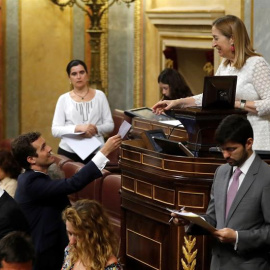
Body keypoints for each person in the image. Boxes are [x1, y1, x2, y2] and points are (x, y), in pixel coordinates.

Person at [152, 15, 270, 150]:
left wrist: (238, 104)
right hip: (233, 141)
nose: (213, 44)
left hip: (257, 142)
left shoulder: (256, 64)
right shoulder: (225, 66)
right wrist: (176, 103)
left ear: (232, 39)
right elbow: (209, 97)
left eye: (216, 38)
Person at [11, 131, 122, 270]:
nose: (50, 148)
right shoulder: (30, 182)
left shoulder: (34, 178)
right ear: (31, 159)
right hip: (45, 257)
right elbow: (73, 184)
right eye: (43, 147)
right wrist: (104, 151)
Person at [172, 114, 270, 270]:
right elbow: (213, 218)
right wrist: (190, 221)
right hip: (217, 264)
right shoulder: (221, 172)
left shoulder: (266, 177)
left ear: (249, 143)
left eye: (231, 149)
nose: (225, 155)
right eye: (222, 149)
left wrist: (237, 237)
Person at [52, 59, 114, 164]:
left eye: (82, 72)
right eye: (74, 74)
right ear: (69, 78)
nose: (78, 76)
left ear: (87, 75)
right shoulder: (63, 99)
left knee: (97, 180)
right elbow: (55, 130)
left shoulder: (100, 95)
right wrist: (78, 128)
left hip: (96, 152)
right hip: (68, 152)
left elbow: (110, 125)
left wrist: (94, 129)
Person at [61, 199, 122, 270]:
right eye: (70, 233)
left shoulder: (111, 267)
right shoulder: (70, 251)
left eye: (78, 235)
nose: (71, 242)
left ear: (93, 235)